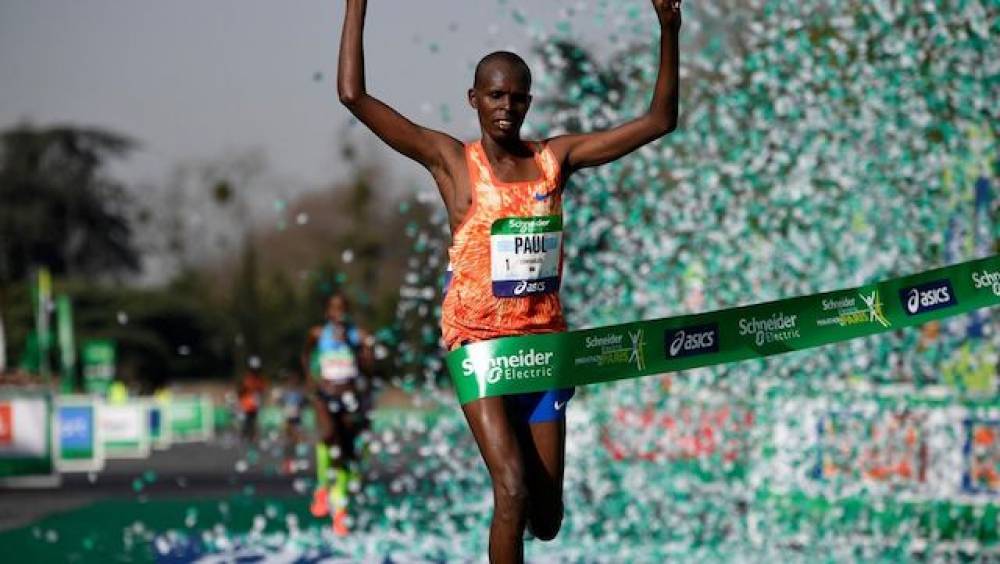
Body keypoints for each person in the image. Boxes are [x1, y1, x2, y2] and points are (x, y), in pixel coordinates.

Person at [337, 0, 681, 560]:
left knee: (546, 519)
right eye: (496, 95)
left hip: (543, 347)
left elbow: (658, 122)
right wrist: (357, 5)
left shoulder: (554, 159)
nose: (507, 107)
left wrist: (669, 29)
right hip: (478, 345)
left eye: (518, 97)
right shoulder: (452, 161)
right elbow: (354, 96)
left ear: (529, 102)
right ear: (474, 98)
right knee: (512, 490)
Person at [301, 292, 374, 535]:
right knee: (328, 434)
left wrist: (359, 348)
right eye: (334, 308)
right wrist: (311, 381)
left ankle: (340, 509)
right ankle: (322, 488)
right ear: (327, 312)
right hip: (324, 395)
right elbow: (305, 355)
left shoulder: (357, 335)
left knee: (346, 451)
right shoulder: (317, 334)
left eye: (342, 308)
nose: (338, 313)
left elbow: (369, 368)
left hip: (349, 396)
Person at [280, 370, 308, 474]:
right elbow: (281, 403)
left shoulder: (299, 392)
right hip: (288, 418)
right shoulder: (285, 392)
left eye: (295, 379)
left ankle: (294, 463)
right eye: (291, 379)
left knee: (297, 440)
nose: (293, 381)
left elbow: (303, 404)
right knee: (288, 441)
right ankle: (287, 464)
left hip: (297, 419)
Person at [237, 357, 267, 444]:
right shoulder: (247, 379)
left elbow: (262, 391)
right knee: (246, 423)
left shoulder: (259, 380)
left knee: (252, 423)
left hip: (254, 406)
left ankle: (250, 439)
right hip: (246, 406)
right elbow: (241, 391)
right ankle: (245, 438)